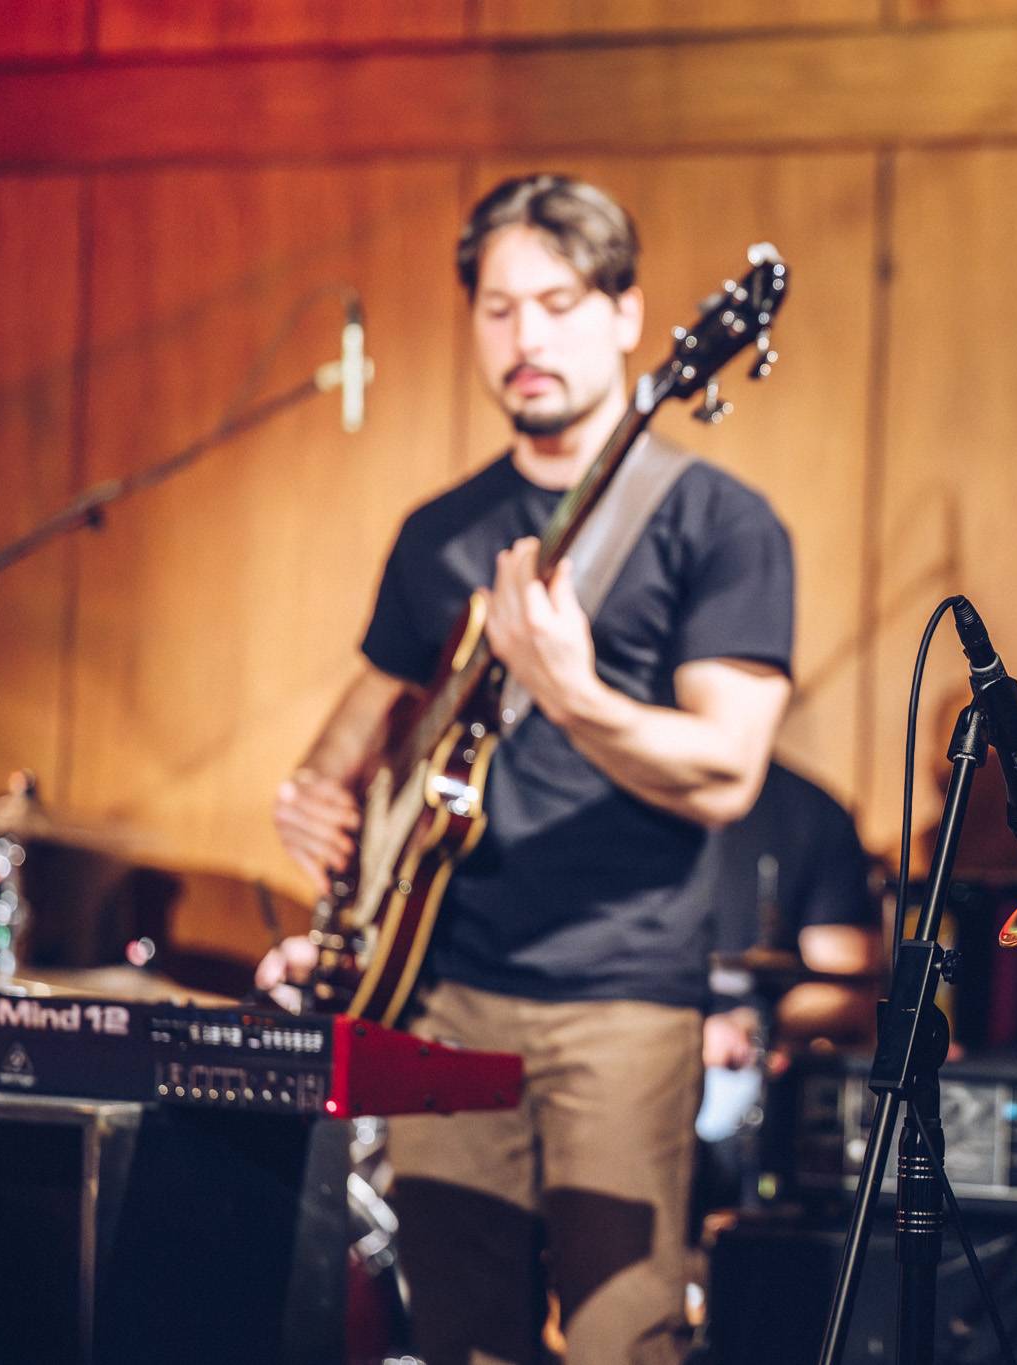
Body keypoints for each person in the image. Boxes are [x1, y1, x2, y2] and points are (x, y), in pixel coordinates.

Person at [260, 173, 795, 1365]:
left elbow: (724, 772)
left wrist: (572, 692)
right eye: (497, 310)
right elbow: (358, 729)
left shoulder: (714, 522)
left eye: (555, 302)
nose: (526, 338)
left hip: (619, 1000)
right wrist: (316, 802)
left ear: (625, 314)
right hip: (441, 995)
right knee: (458, 1340)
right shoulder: (438, 529)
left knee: (623, 1340)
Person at [693, 759, 880, 1175]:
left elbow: (846, 988)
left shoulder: (809, 811)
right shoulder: (615, 793)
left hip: (744, 1080)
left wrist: (751, 1025)